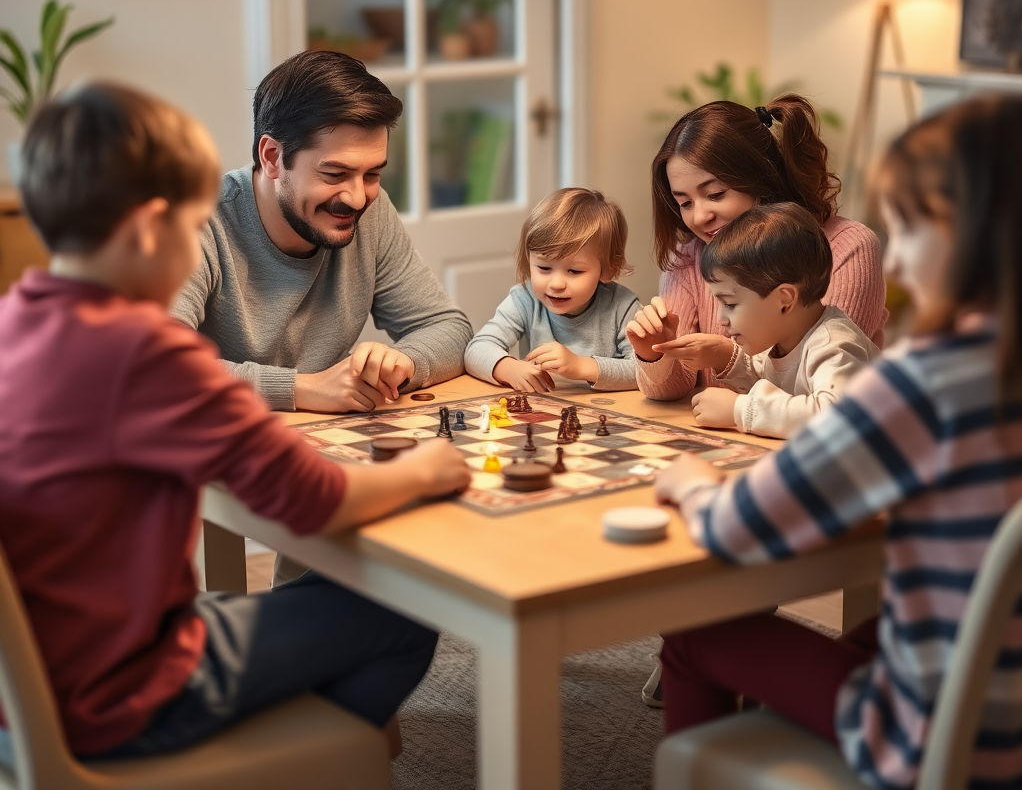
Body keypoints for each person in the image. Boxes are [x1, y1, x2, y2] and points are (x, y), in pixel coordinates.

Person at [0, 83, 470, 765]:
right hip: (123, 694)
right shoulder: (153, 358)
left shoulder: (16, 320)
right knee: (406, 615)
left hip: (29, 691)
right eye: (194, 229)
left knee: (311, 602)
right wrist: (424, 469)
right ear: (149, 229)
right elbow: (317, 502)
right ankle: (306, 767)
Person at [653, 96, 1022, 788]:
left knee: (692, 633)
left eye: (913, 229)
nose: (900, 260)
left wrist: (695, 486)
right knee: (864, 636)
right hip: (1001, 691)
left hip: (938, 737)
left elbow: (746, 528)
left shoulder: (930, 382)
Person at [172, 50, 473, 415]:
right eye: (334, 174)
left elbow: (448, 327)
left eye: (373, 174)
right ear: (271, 158)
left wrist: (400, 363)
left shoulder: (372, 212)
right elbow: (156, 366)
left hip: (322, 441)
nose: (358, 197)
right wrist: (302, 389)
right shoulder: (194, 224)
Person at [626, 97, 887, 402]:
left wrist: (732, 384)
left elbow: (817, 396)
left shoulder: (848, 247)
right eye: (684, 203)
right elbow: (670, 392)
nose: (699, 217)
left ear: (761, 180)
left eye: (715, 194)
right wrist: (655, 353)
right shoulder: (689, 253)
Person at [663, 202, 879, 439]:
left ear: (784, 300)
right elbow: (769, 376)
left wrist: (741, 410)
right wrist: (723, 356)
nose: (721, 319)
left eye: (730, 304)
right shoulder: (785, 337)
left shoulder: (834, 345)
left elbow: (839, 421)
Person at [464, 187, 640, 393]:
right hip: (543, 415)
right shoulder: (525, 299)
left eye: (574, 271)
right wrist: (508, 368)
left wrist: (581, 366)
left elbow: (645, 372)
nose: (556, 284)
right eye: (544, 268)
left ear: (609, 269)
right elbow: (475, 350)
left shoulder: (623, 307)